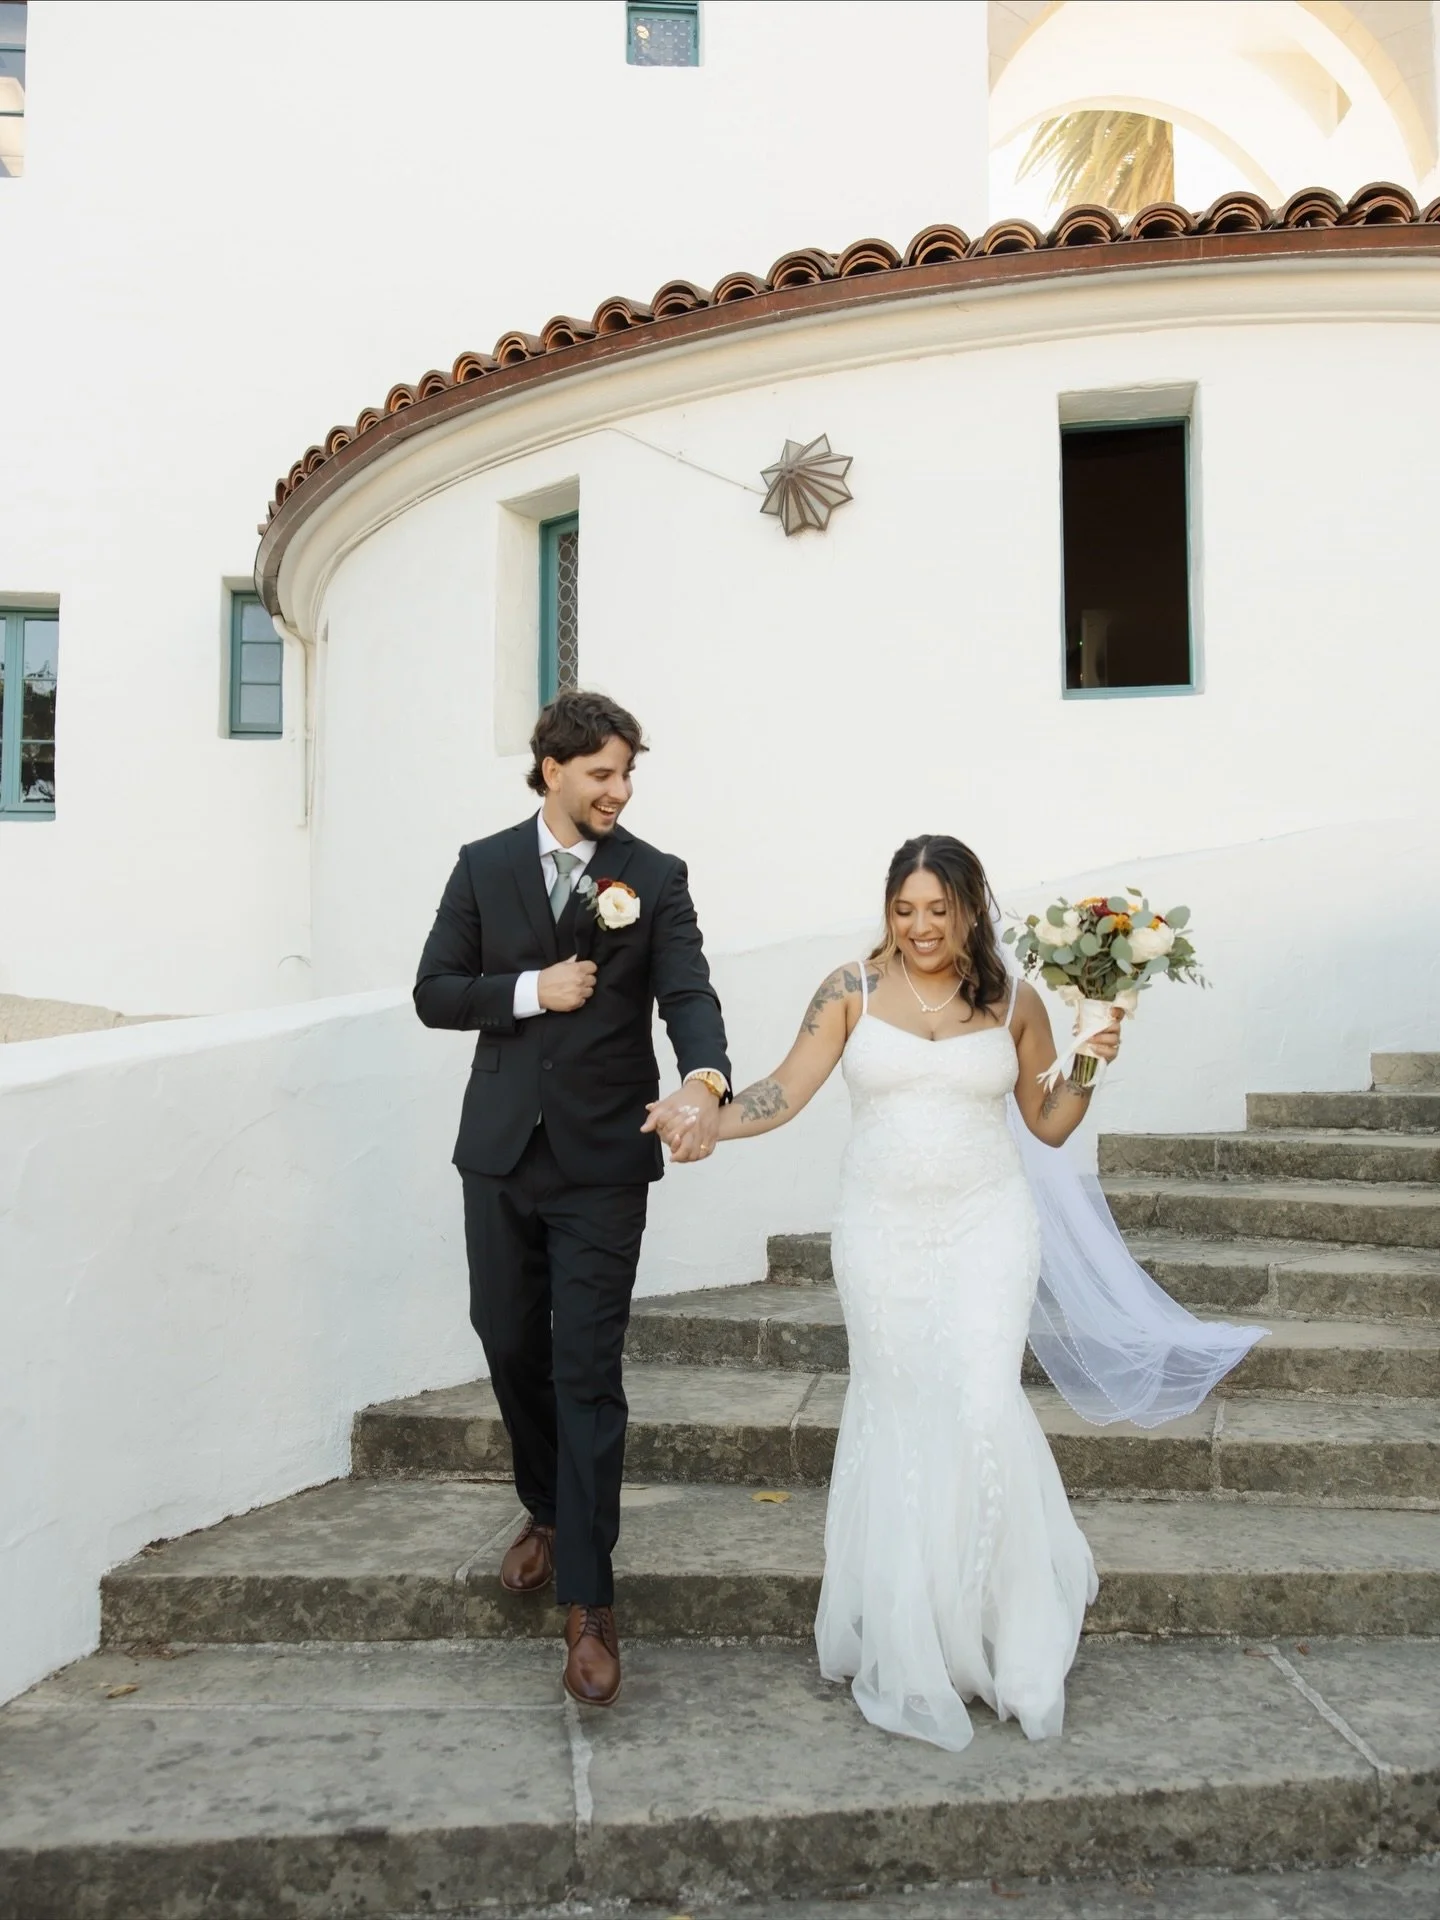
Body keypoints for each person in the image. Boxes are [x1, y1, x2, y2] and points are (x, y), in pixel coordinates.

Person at [686, 833, 1124, 1751]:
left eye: (939, 908)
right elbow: (783, 1090)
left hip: (989, 1227)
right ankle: (913, 1633)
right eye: (904, 908)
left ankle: (991, 1632)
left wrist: (1089, 1060)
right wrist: (706, 1124)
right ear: (888, 909)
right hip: (880, 1233)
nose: (921, 926)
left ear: (971, 910)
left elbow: (1049, 1126)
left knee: (978, 1404)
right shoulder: (848, 990)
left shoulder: (1014, 1002)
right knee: (898, 1406)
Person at [413, 690, 730, 1708]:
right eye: (601, 773)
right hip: (500, 1156)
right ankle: (546, 1508)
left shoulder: (656, 877)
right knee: (508, 1342)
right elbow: (433, 991)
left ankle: (589, 1603)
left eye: (627, 775)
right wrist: (527, 989)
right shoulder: (481, 865)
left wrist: (703, 1080)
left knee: (586, 1369)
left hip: (603, 1160)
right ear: (550, 768)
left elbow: (687, 991)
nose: (618, 791)